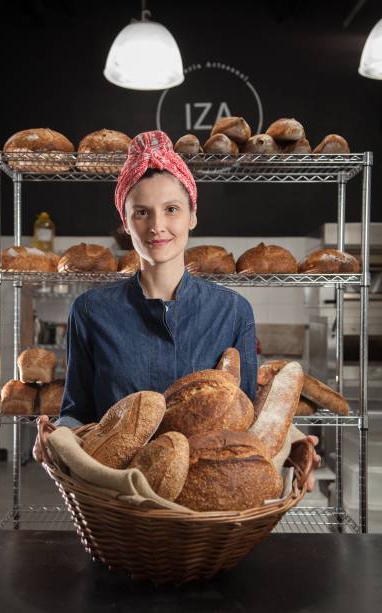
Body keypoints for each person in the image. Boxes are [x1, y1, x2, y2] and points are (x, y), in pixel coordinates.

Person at [33, 130, 320, 489]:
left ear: (192, 215)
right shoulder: (90, 312)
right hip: (115, 501)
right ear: (125, 222)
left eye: (171, 209)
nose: (157, 226)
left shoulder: (232, 312)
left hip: (207, 498)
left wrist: (290, 444)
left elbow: (246, 419)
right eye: (141, 212)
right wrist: (55, 436)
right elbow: (78, 413)